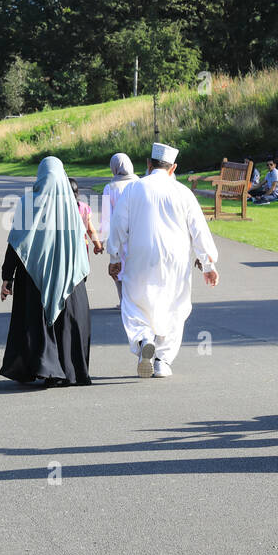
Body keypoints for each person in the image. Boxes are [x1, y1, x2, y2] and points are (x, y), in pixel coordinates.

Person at [105, 142, 219, 379]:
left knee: (134, 302)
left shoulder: (134, 188)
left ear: (148, 164)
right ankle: (162, 361)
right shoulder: (183, 193)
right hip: (176, 259)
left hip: (140, 257)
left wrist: (115, 256)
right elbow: (199, 229)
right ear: (173, 167)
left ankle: (144, 339)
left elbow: (117, 225)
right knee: (175, 306)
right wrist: (207, 263)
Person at [0, 157, 93, 387]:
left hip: (34, 278)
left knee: (36, 322)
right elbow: (80, 245)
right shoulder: (71, 206)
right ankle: (71, 371)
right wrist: (81, 275)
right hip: (69, 278)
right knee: (69, 324)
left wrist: (7, 276)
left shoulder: (26, 203)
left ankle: (46, 369)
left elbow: (16, 243)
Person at [100, 153, 138, 307]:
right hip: (138, 233)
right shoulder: (139, 184)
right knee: (136, 267)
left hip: (118, 235)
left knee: (117, 267)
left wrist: (103, 239)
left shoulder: (110, 188)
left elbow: (106, 216)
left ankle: (123, 301)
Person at [69, 177, 104, 255]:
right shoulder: (83, 207)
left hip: (63, 246)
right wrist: (98, 246)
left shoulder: (58, 207)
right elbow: (90, 230)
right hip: (81, 246)